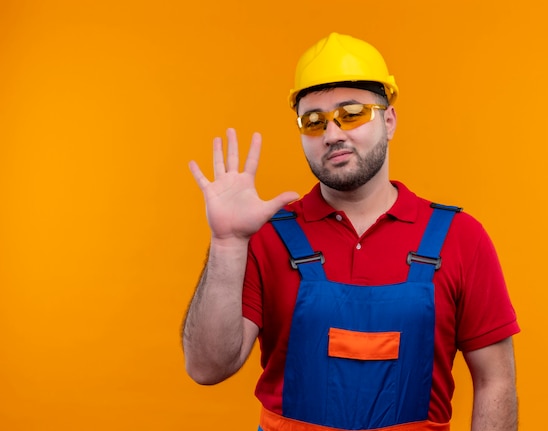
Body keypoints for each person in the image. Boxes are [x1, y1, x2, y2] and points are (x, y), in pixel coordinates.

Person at [182, 32, 520, 431]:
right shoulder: (265, 237)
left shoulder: (460, 237)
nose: (333, 134)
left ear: (389, 120)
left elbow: (495, 380)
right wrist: (226, 243)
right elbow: (207, 367)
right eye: (314, 121)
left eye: (352, 113)